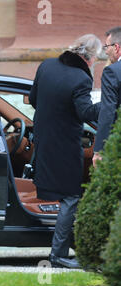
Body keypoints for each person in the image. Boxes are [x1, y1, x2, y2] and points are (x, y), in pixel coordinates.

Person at [29, 34, 102, 269]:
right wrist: (110, 102)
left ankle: (69, 248)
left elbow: (32, 100)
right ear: (90, 58)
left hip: (42, 142)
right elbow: (85, 113)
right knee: (71, 197)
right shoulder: (81, 78)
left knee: (63, 196)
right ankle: (58, 255)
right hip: (65, 146)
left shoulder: (47, 64)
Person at [93, 26, 121, 166]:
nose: (106, 50)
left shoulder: (112, 72)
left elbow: (108, 111)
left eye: (107, 46)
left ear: (116, 47)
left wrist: (99, 151)